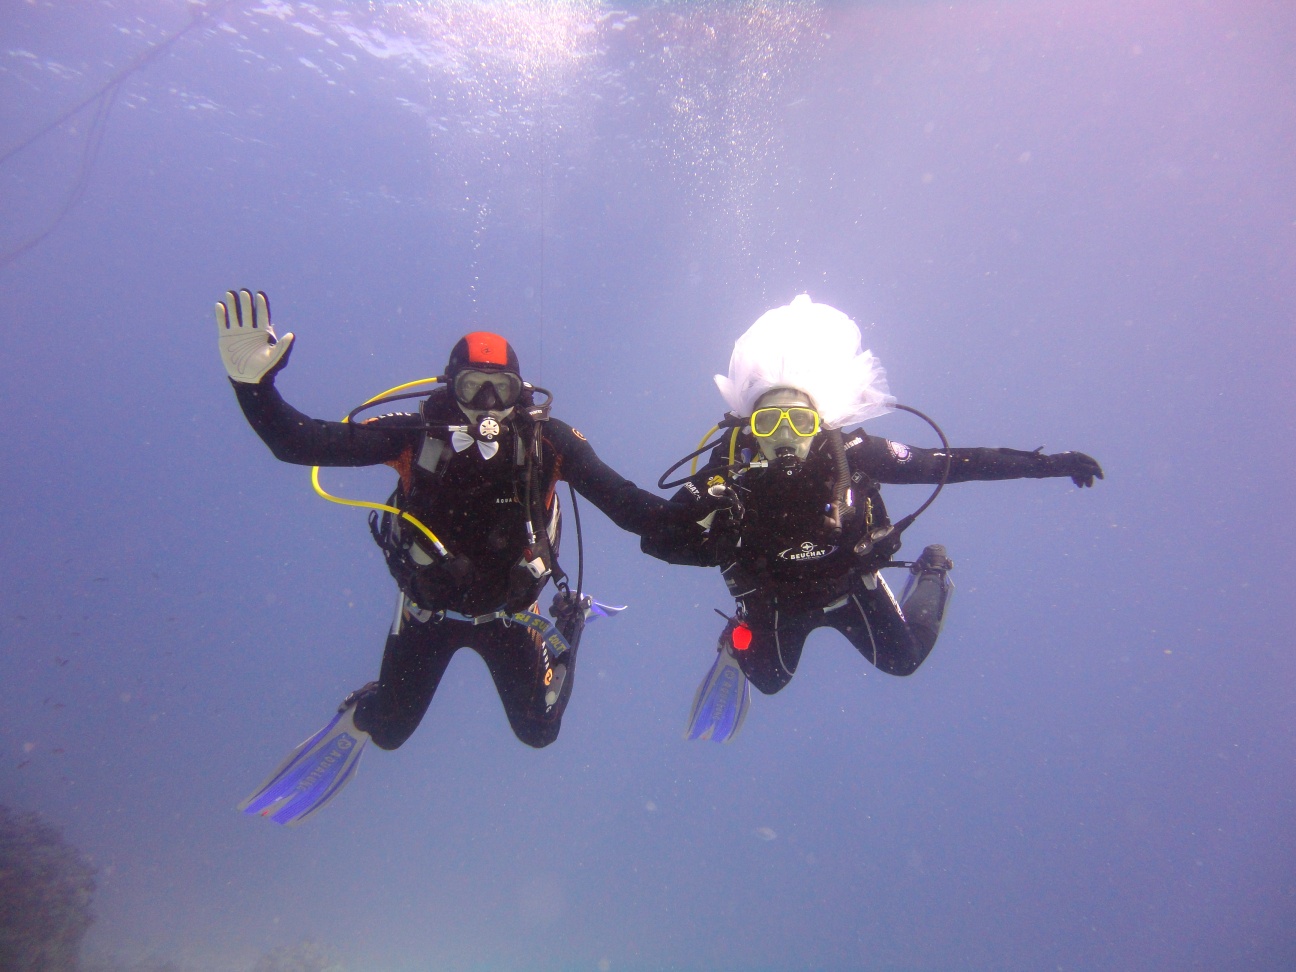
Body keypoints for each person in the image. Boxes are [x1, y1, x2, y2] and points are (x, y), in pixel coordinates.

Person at [217, 289, 699, 823]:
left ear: (520, 392)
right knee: (389, 733)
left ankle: (570, 622)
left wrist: (699, 507)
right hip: (427, 612)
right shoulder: (414, 433)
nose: (488, 404)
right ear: (451, 388)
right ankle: (365, 710)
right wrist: (253, 389)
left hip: (511, 616)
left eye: (501, 389)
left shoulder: (549, 442)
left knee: (539, 731)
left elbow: (631, 507)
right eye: (473, 387)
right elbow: (302, 443)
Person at [643, 295, 1103, 741]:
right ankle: (737, 638)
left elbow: (947, 463)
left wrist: (1045, 464)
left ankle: (931, 573)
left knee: (904, 661)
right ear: (750, 426)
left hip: (851, 585)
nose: (784, 435)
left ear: (821, 421)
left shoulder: (854, 453)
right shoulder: (731, 466)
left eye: (800, 421)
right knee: (769, 681)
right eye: (768, 423)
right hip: (772, 596)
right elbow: (661, 531)